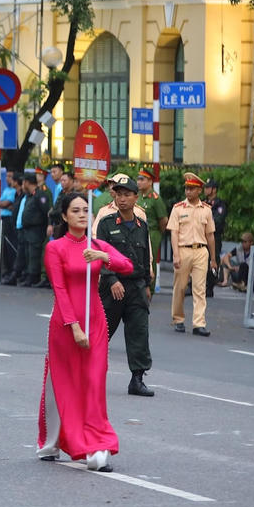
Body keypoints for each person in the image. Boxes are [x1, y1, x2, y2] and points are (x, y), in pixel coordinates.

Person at [39, 192, 134, 471]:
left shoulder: (97, 245)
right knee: (63, 384)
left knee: (94, 384)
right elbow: (60, 290)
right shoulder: (55, 248)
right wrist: (75, 327)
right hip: (66, 325)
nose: (82, 214)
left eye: (85, 210)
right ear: (65, 216)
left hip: (97, 324)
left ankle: (95, 445)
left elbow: (128, 266)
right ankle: (52, 441)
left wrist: (103, 256)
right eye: (76, 210)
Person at [95, 174, 154, 397]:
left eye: (127, 195)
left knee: (139, 332)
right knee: (101, 333)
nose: (122, 199)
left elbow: (145, 255)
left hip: (136, 287)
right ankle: (88, 374)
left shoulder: (142, 225)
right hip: (113, 288)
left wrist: (147, 284)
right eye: (119, 195)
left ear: (135, 198)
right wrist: (111, 280)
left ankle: (137, 380)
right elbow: (101, 255)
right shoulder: (106, 224)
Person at [166, 172, 216, 336]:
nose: (188, 191)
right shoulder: (178, 208)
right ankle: (178, 319)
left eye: (192, 189)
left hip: (201, 251)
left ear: (199, 190)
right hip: (183, 250)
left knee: (199, 289)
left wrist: (213, 258)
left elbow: (210, 235)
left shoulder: (206, 210)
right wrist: (175, 254)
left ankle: (199, 323)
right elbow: (174, 232)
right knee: (180, 287)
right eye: (187, 188)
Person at [135, 168, 168, 267]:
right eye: (138, 179)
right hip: (138, 232)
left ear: (150, 182)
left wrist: (157, 233)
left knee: (150, 261)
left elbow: (164, 220)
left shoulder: (155, 199)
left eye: (142, 179)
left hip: (152, 233)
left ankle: (151, 282)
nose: (139, 182)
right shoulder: (138, 197)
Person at [204, 179, 228, 297]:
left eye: (208, 188)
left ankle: (210, 286)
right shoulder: (203, 203)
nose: (206, 190)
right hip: (203, 236)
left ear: (214, 189)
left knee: (213, 260)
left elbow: (218, 221)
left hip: (214, 236)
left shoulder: (219, 204)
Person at [0, 172, 19, 283]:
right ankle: (6, 271)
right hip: (4, 219)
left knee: (11, 246)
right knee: (4, 247)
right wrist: (2, 203)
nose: (8, 178)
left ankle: (12, 271)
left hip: (10, 220)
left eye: (10, 176)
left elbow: (6, 204)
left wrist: (2, 203)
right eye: (7, 176)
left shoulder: (15, 191)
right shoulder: (6, 190)